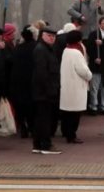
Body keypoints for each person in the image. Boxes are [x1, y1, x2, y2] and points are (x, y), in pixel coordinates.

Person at [32, 26, 61, 155]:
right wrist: (49, 89)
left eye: (53, 36)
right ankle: (45, 145)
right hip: (44, 92)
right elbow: (41, 73)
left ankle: (38, 144)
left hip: (45, 90)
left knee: (41, 119)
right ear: (42, 36)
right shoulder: (41, 50)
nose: (52, 38)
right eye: (49, 36)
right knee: (44, 119)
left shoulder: (48, 49)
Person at [59, 30, 92, 144]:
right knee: (75, 113)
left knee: (67, 112)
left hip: (67, 85)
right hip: (76, 86)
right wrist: (89, 76)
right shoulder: (76, 52)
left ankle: (67, 133)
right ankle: (72, 135)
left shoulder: (66, 50)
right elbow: (82, 70)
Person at [9, 25, 37, 138]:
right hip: (32, 80)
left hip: (18, 81)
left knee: (20, 106)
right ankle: (31, 127)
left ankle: (23, 127)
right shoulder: (37, 47)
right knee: (31, 106)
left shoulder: (17, 48)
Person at [86, 16, 104, 115]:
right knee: (94, 87)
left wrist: (103, 43)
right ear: (99, 24)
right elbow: (89, 48)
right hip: (95, 65)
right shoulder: (94, 34)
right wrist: (95, 58)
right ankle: (93, 106)